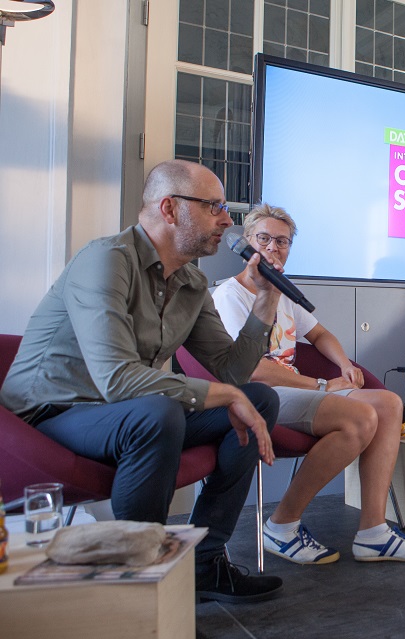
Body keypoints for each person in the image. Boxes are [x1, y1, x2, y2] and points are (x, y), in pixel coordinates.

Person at [0, 159, 284, 605]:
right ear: (170, 209)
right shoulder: (105, 260)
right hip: (52, 415)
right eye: (214, 207)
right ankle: (142, 590)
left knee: (259, 399)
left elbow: (232, 371)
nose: (227, 220)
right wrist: (225, 395)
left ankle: (203, 565)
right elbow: (116, 379)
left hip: (130, 412)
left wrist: (265, 302)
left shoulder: (190, 281)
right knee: (157, 412)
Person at [213, 203, 405, 564]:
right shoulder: (229, 295)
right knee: (359, 418)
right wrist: (319, 384)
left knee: (389, 404)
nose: (273, 247)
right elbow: (251, 369)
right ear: (248, 244)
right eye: (264, 239)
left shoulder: (282, 291)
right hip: (258, 396)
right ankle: (282, 525)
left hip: (296, 388)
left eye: (282, 241)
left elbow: (319, 334)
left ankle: (373, 532)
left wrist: (344, 365)